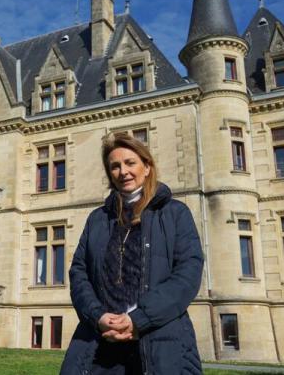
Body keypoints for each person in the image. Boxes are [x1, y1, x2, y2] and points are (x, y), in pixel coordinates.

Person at [60, 133, 204, 375]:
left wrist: (139, 319)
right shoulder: (98, 219)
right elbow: (79, 272)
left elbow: (187, 274)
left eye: (130, 163)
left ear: (147, 167)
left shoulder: (175, 214)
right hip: (100, 343)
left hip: (158, 340)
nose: (123, 171)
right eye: (115, 166)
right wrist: (97, 316)